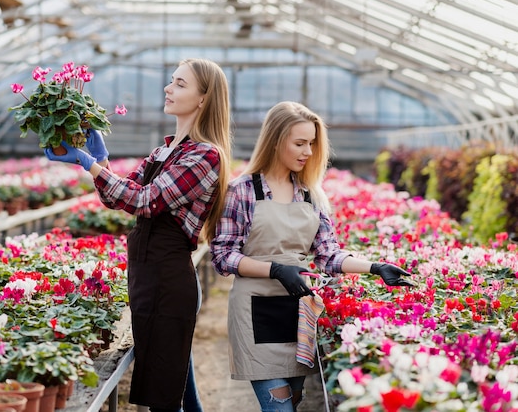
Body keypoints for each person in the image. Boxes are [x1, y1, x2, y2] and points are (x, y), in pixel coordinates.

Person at [44, 58, 232, 412]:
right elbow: (118, 195)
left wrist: (90, 163)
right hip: (147, 277)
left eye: (180, 84)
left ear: (204, 99)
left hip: (168, 280)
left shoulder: (205, 155)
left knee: (163, 395)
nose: (168, 88)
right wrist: (102, 160)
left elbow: (147, 200)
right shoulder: (165, 150)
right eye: (171, 81)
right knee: (173, 388)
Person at [209, 101, 413, 412]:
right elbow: (223, 256)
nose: (308, 151)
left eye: (312, 143)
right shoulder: (242, 191)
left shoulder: (311, 194)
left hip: (298, 313)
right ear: (276, 140)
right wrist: (275, 270)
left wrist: (374, 267)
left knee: (294, 400)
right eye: (300, 143)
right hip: (254, 312)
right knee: (279, 408)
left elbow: (329, 255)